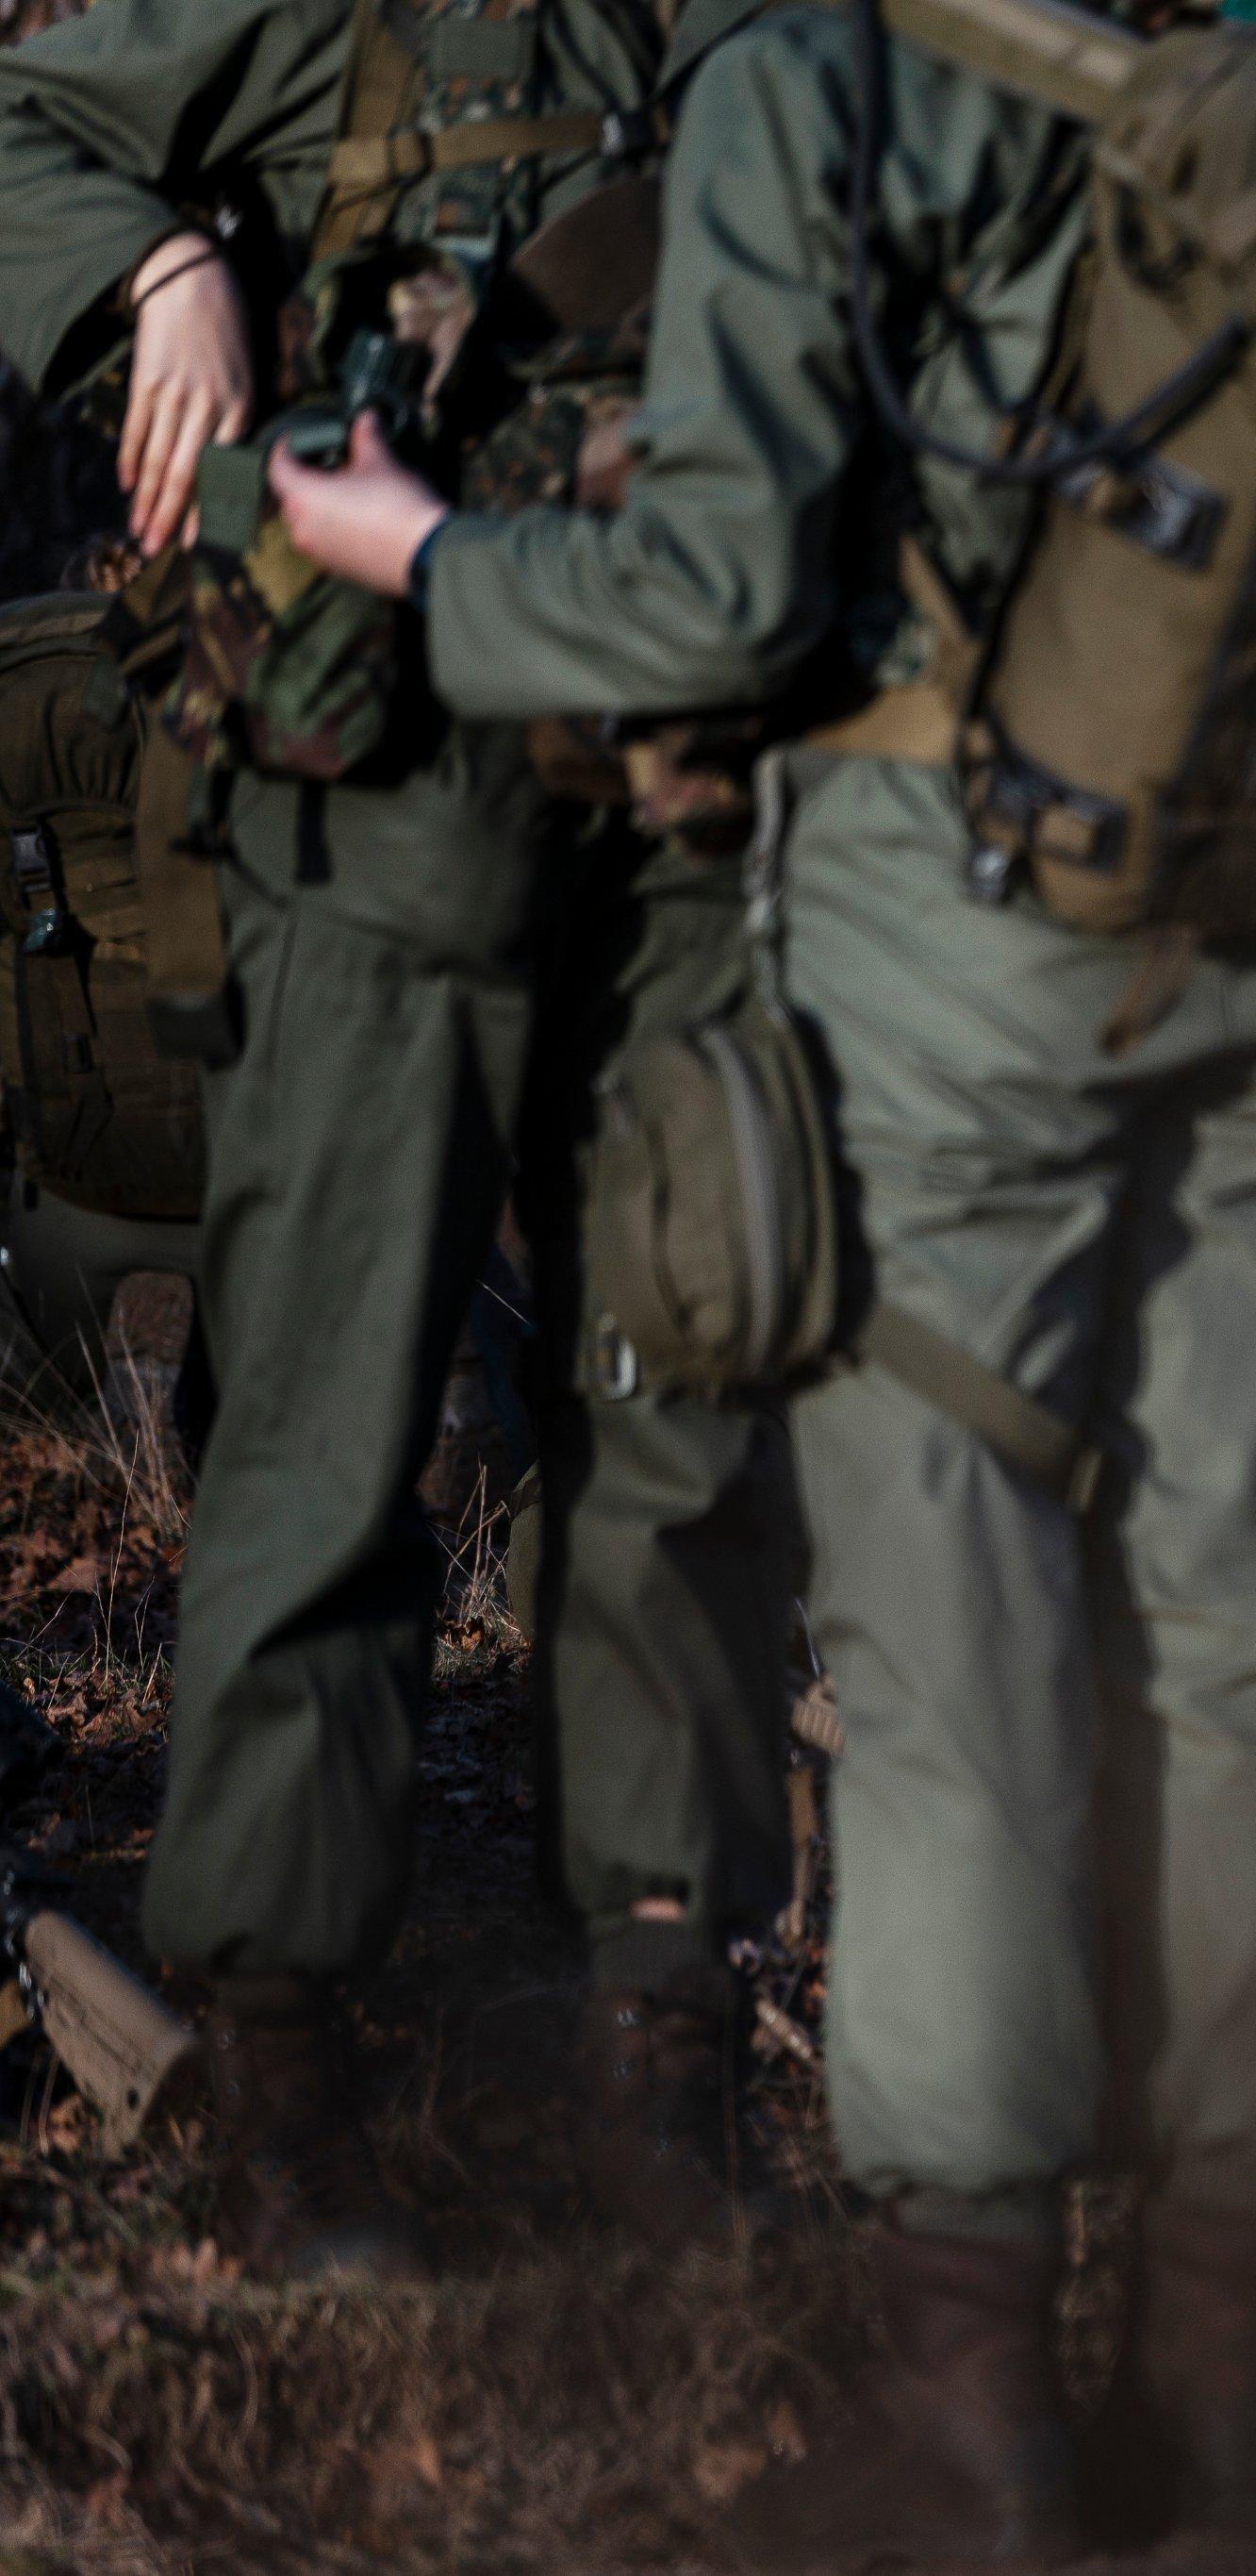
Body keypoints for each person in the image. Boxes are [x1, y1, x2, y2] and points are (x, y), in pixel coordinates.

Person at [270, 0, 1256, 2552]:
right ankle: (1228, 2395)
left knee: (947, 1621)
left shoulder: (833, 77)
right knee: (1226, 1597)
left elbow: (723, 587)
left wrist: (422, 556)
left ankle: (973, 2400)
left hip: (958, 919)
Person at [0, 0, 805, 2279]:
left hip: (699, 811)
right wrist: (159, 272)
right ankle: (286, 2079)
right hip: (381, 815)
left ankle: (661, 2039)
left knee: (682, 1418)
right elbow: (16, 127)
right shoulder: (326, 13)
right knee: (334, 1426)